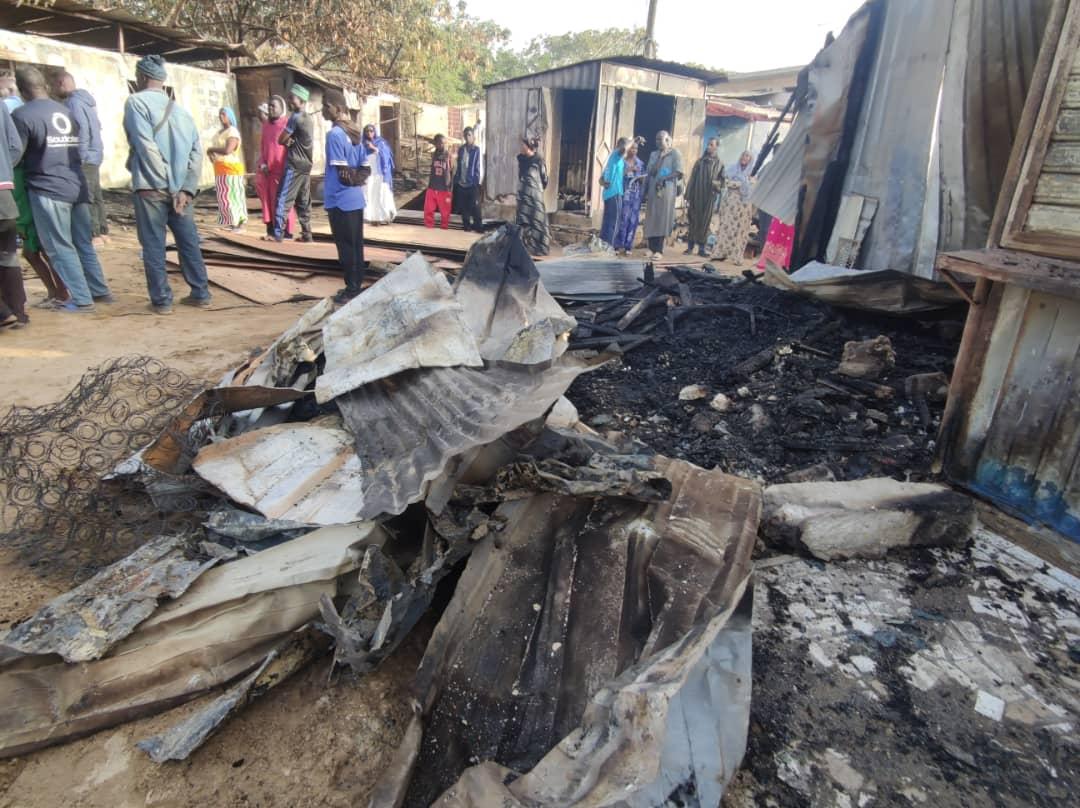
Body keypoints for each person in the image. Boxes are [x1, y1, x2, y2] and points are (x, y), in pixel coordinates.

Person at [12, 66, 111, 313]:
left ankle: (81, 299)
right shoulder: (66, 111)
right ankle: (100, 292)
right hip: (76, 185)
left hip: (48, 188)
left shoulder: (22, 116)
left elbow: (16, 154)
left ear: (23, 91)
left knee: (59, 247)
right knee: (83, 243)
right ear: (45, 86)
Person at [123, 54, 211, 315]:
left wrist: (169, 185)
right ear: (162, 80)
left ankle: (161, 300)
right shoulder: (182, 112)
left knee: (153, 244)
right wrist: (185, 188)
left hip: (152, 187)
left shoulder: (136, 103)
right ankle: (201, 293)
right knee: (188, 242)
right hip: (182, 193)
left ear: (140, 77)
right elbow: (197, 153)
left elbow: (145, 145)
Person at [321, 89, 369, 305]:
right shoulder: (356, 133)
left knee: (346, 247)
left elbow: (341, 174)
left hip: (340, 200)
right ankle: (356, 285)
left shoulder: (335, 135)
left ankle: (351, 288)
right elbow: (365, 169)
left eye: (326, 105)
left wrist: (349, 181)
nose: (323, 109)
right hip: (355, 199)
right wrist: (356, 181)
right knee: (356, 245)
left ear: (338, 109)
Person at [54, 72, 108, 246]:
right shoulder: (87, 101)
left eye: (54, 86)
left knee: (86, 196)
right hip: (96, 154)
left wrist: (81, 155)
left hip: (87, 156)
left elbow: (81, 128)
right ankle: (102, 231)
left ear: (61, 83)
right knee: (96, 194)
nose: (54, 90)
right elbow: (97, 126)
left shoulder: (73, 102)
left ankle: (94, 234)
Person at [270, 84, 313, 243]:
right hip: (307, 165)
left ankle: (278, 234)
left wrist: (289, 142)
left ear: (301, 100)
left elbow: (281, 139)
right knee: (303, 201)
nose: (289, 101)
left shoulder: (295, 118)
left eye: (292, 98)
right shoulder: (309, 118)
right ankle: (307, 234)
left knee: (283, 198)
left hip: (294, 165)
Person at [0, 100, 26, 329]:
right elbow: (16, 146)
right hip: (4, 192)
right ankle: (18, 312)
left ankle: (3, 312)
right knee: (7, 255)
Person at [256, 95, 295, 239]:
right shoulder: (265, 126)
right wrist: (263, 164)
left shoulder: (287, 125)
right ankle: (272, 230)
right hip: (268, 173)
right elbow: (263, 148)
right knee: (269, 202)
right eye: (270, 106)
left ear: (282, 108)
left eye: (274, 106)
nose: (271, 109)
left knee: (283, 203)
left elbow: (291, 147)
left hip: (282, 171)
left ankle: (286, 232)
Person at [642, 131, 683, 260]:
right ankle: (651, 248)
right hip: (654, 189)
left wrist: (665, 177)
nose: (659, 142)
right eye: (657, 139)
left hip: (667, 190)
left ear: (668, 140)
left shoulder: (675, 154)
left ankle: (659, 250)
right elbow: (650, 172)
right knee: (652, 217)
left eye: (661, 139)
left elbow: (678, 172)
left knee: (662, 219)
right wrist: (660, 158)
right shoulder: (654, 154)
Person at [713, 149, 756, 265]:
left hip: (743, 205)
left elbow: (751, 186)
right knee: (726, 227)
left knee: (740, 230)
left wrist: (739, 184)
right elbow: (727, 182)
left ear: (750, 160)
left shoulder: (752, 172)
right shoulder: (732, 168)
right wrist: (737, 184)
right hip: (730, 202)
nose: (744, 158)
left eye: (747, 156)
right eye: (743, 155)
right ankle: (720, 253)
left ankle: (736, 257)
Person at [207, 106, 247, 232]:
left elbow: (227, 150)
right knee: (224, 197)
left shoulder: (232, 132)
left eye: (223, 114)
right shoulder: (220, 132)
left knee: (233, 197)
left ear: (230, 116)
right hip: (220, 168)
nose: (221, 116)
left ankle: (238, 224)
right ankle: (231, 221)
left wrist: (211, 149)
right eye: (220, 114)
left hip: (231, 169)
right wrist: (211, 154)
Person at [684, 137, 723, 257]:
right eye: (708, 144)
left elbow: (722, 180)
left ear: (716, 147)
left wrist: (716, 184)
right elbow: (692, 179)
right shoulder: (700, 162)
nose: (709, 146)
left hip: (709, 198)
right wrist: (688, 196)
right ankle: (690, 247)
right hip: (696, 195)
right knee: (693, 220)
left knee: (705, 222)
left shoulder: (719, 164)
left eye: (711, 144)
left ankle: (701, 248)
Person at [516, 137, 550, 256]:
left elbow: (545, 179)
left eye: (523, 145)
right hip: (523, 196)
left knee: (537, 221)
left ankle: (538, 248)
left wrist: (535, 189)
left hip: (535, 196)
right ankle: (525, 247)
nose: (521, 147)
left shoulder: (538, 160)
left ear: (528, 146)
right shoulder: (521, 159)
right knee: (523, 221)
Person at [613, 138, 646, 257]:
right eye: (632, 148)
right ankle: (617, 245)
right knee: (622, 219)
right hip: (623, 194)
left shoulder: (640, 163)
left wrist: (642, 179)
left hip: (636, 196)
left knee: (633, 221)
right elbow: (617, 177)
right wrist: (629, 170)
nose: (634, 150)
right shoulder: (621, 162)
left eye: (636, 148)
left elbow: (643, 180)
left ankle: (628, 246)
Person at [362, 124, 396, 225]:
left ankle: (385, 217)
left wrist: (375, 148)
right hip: (368, 174)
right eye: (367, 131)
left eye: (371, 131)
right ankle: (373, 218)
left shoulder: (381, 142)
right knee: (369, 194)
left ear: (375, 131)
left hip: (380, 173)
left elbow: (386, 156)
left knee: (382, 194)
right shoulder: (362, 144)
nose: (369, 133)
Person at [599, 137, 627, 245]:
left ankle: (602, 245)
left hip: (607, 195)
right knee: (614, 222)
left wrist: (605, 183)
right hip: (615, 194)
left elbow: (600, 180)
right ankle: (609, 247)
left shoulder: (611, 159)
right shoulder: (617, 156)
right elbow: (624, 149)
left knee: (606, 222)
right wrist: (634, 140)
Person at [454, 126, 482, 232]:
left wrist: (476, 181)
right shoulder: (461, 149)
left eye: (469, 135)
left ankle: (478, 227)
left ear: (473, 136)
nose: (467, 137)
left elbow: (478, 167)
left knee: (475, 207)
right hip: (461, 184)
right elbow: (459, 165)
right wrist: (456, 180)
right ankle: (467, 227)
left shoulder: (476, 150)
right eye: (465, 135)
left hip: (472, 183)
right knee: (464, 208)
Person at [424, 134, 453, 229]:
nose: (442, 145)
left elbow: (452, 170)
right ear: (435, 144)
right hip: (432, 185)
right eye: (439, 143)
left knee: (445, 210)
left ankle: (444, 228)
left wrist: (449, 187)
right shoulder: (433, 155)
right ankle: (429, 227)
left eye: (443, 143)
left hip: (444, 187)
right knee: (429, 208)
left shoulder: (448, 155)